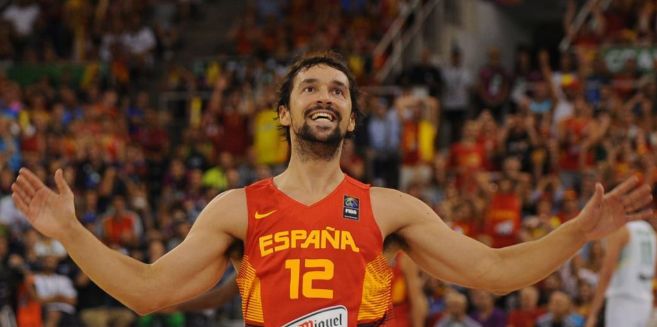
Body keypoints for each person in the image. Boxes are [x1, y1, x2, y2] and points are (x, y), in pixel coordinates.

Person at [9, 51, 654, 327]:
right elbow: (149, 293)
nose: (326, 96)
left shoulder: (389, 208)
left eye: (338, 91)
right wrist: (69, 230)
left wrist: (577, 232)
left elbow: (492, 271)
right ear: (285, 114)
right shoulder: (236, 209)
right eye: (310, 88)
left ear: (350, 119)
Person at [585, 219, 656, 327]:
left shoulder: (622, 229)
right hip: (645, 301)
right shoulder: (650, 232)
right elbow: (654, 271)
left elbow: (606, 272)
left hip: (622, 300)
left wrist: (593, 313)